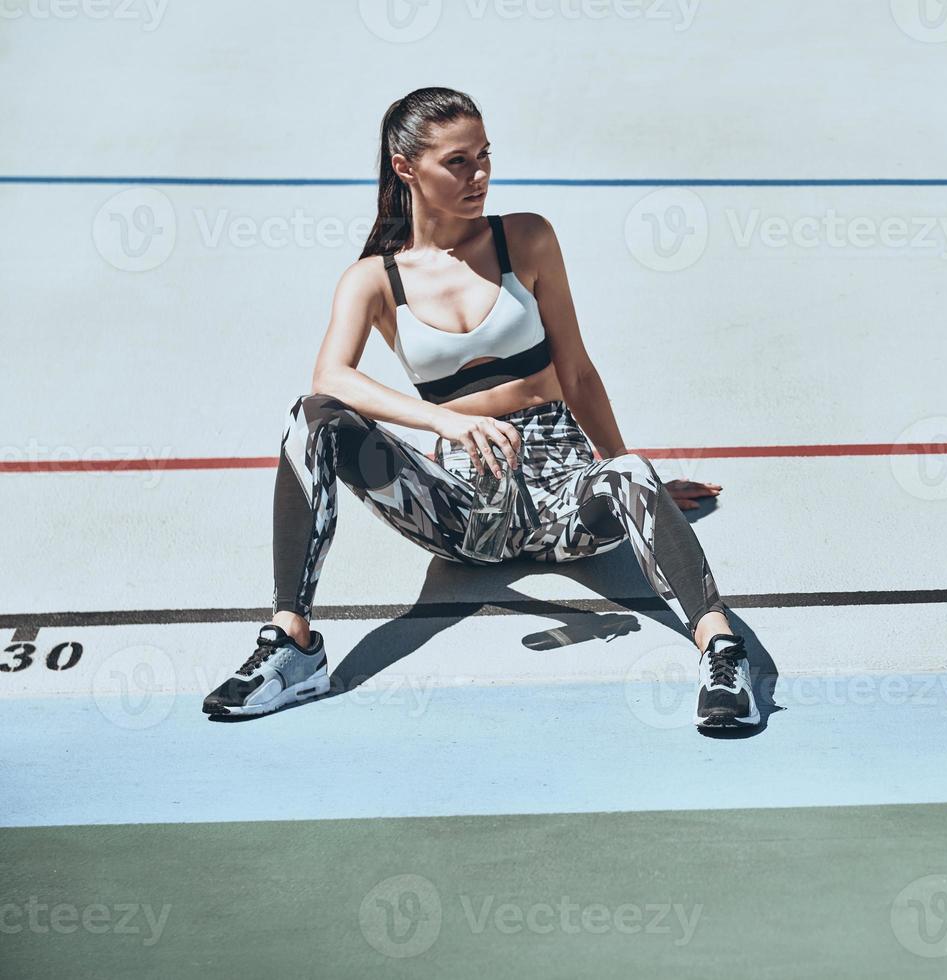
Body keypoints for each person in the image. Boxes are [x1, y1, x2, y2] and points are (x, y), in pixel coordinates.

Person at [202, 87, 758, 730]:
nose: (480, 176)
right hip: (460, 513)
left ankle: (723, 654)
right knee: (312, 417)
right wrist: (443, 419)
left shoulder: (527, 238)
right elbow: (331, 376)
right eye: (458, 162)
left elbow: (575, 373)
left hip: (563, 500)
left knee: (632, 474)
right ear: (405, 165)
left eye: (485, 156)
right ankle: (292, 646)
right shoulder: (375, 279)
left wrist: (634, 482)